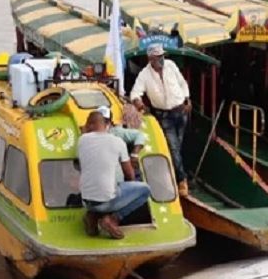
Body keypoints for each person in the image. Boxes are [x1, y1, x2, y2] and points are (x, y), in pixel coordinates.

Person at [77, 108, 151, 238]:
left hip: (86, 201)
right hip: (106, 201)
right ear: (107, 124)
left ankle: (92, 216)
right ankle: (112, 219)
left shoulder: (81, 141)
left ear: (89, 125)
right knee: (145, 190)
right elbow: (129, 175)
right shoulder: (118, 142)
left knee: (101, 192)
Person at [130, 44, 192, 195]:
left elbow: (182, 83)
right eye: (158, 57)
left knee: (178, 147)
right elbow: (135, 94)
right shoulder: (145, 74)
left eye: (162, 56)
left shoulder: (171, 65)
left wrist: (187, 99)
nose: (162, 59)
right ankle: (181, 180)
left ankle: (174, 173)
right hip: (165, 116)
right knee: (173, 147)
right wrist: (140, 105)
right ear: (151, 59)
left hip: (181, 111)